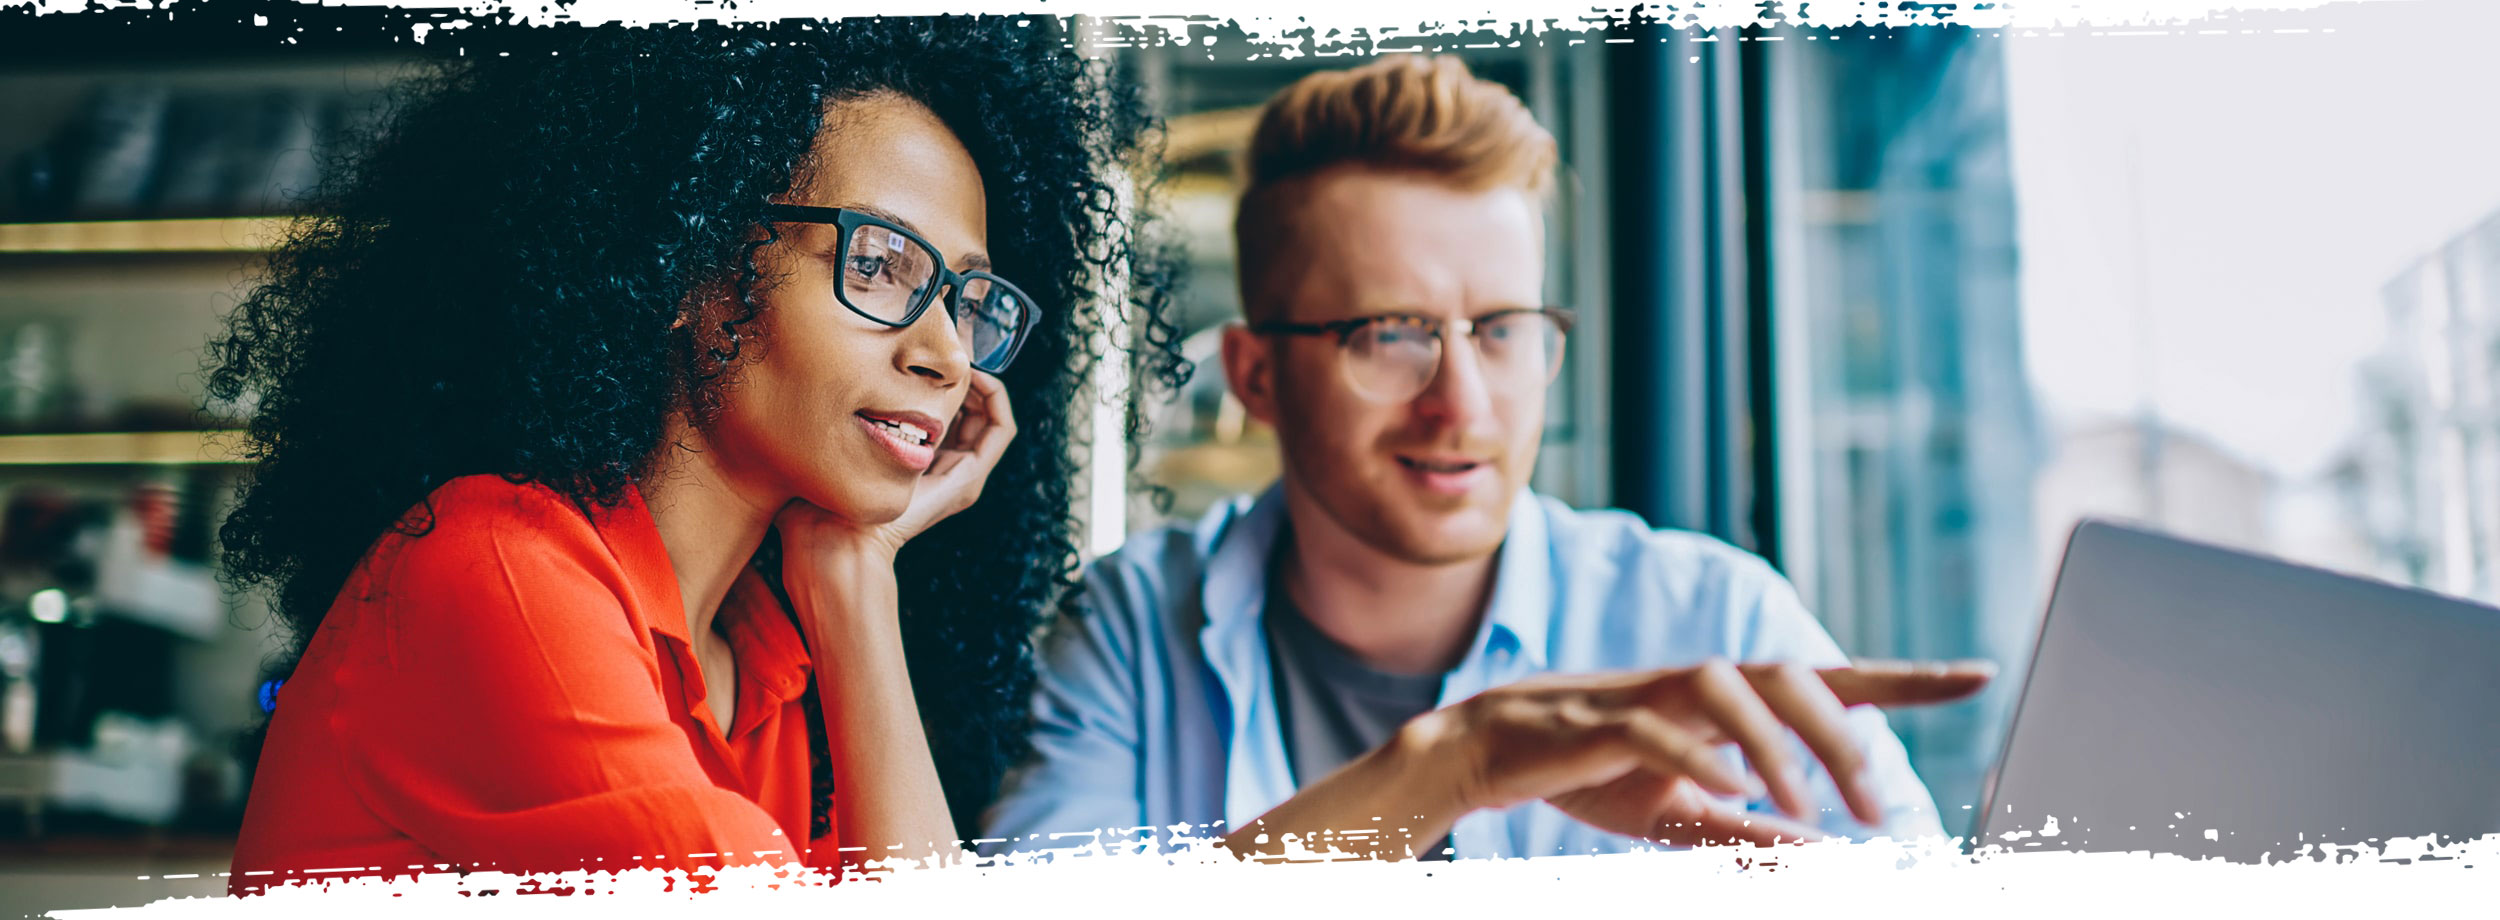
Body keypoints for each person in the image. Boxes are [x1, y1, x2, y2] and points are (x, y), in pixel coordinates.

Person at [213, 19, 1185, 890]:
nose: (944, 353)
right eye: (880, 264)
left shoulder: (763, 666)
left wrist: (854, 574)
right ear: (690, 267)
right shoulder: (495, 568)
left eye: (966, 300)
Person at [980, 55, 1992, 862]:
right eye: (1390, 333)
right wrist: (1449, 768)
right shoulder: (1129, 628)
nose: (1460, 401)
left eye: (1502, 329)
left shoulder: (1716, 620)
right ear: (1255, 375)